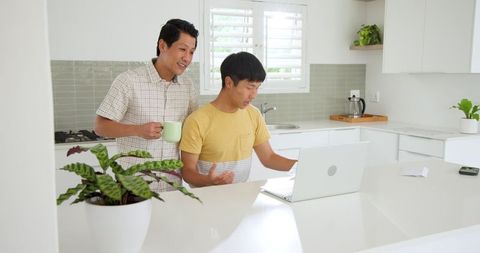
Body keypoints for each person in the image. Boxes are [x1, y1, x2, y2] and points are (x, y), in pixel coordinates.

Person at [95, 19, 199, 192]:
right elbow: (100, 127)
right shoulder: (129, 81)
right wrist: (137, 130)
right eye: (182, 49)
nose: (187, 58)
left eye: (192, 52)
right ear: (163, 45)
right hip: (132, 188)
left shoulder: (187, 86)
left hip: (171, 187)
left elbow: (194, 130)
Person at [179, 52, 297, 187]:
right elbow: (188, 172)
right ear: (229, 82)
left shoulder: (253, 114)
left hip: (242, 198)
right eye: (249, 87)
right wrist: (209, 181)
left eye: (257, 88)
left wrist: (303, 166)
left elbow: (268, 158)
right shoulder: (197, 120)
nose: (253, 95)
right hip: (207, 199)